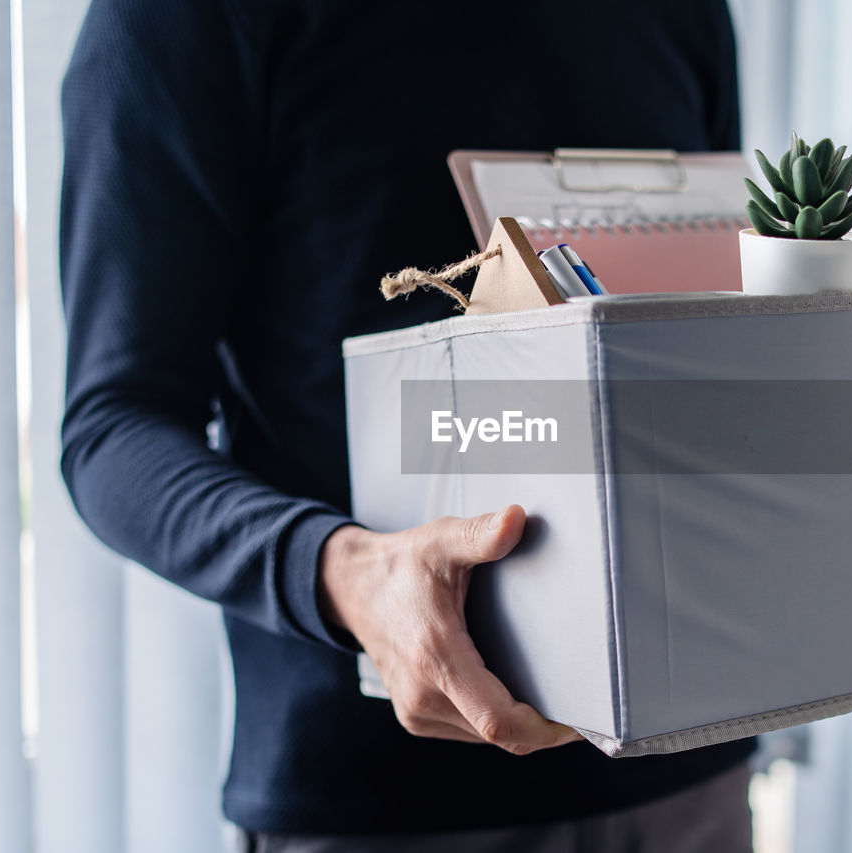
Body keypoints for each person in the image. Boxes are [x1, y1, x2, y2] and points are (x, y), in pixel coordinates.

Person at [59, 0, 755, 849]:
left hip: (691, 770)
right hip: (379, 798)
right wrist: (347, 571)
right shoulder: (181, 22)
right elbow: (113, 424)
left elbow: (706, 340)